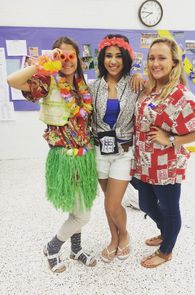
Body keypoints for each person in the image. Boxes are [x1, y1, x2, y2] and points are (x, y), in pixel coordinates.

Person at [7, 37, 98, 273]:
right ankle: (52, 247)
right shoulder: (47, 82)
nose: (67, 61)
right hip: (64, 157)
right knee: (82, 215)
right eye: (61, 56)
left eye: (71, 56)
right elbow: (12, 80)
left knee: (80, 205)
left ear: (78, 59)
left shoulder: (82, 86)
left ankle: (76, 249)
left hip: (85, 156)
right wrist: (44, 64)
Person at [131, 37, 195, 268]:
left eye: (161, 58)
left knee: (168, 208)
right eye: (151, 58)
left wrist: (170, 139)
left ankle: (167, 250)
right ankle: (166, 232)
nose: (155, 63)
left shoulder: (180, 95)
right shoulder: (150, 88)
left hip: (166, 166)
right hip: (144, 163)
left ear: (174, 62)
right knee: (147, 205)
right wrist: (137, 77)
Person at [89, 34, 138, 262]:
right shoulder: (93, 86)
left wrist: (140, 75)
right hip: (99, 151)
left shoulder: (135, 84)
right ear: (102, 58)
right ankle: (114, 239)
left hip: (123, 152)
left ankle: (125, 234)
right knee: (108, 201)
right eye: (108, 55)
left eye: (119, 56)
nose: (113, 61)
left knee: (112, 202)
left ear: (126, 57)